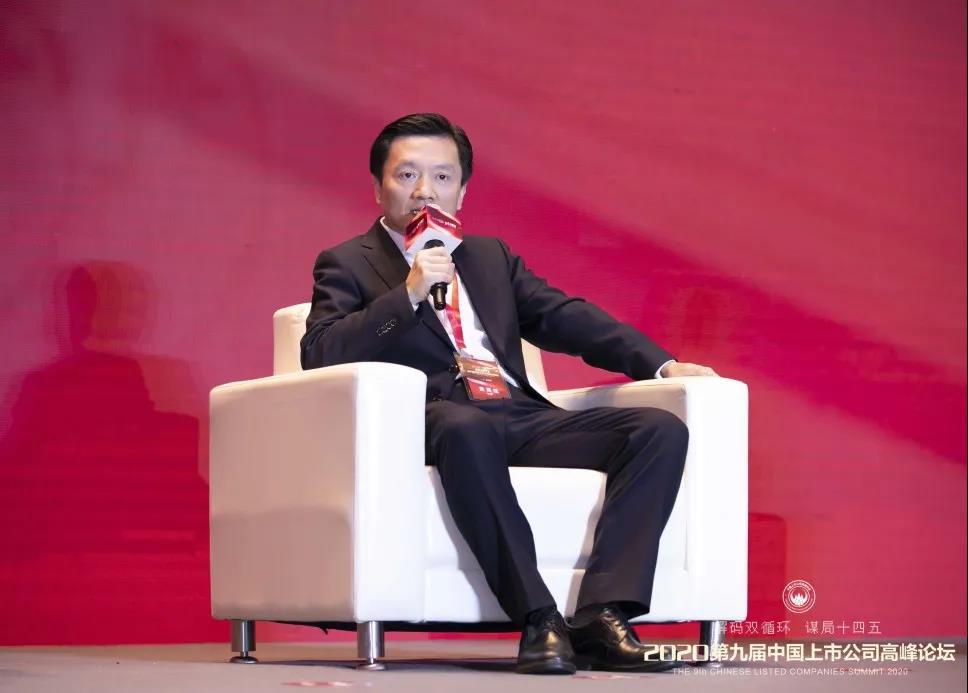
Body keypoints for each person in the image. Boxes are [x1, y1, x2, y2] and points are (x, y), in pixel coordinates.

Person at [301, 113, 717, 675]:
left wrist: (661, 364)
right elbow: (320, 352)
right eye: (407, 175)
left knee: (656, 430)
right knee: (465, 425)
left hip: (514, 413)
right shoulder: (349, 262)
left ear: (462, 191)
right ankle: (538, 617)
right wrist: (409, 295)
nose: (425, 191)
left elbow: (564, 316)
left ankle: (603, 615)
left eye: (442, 177)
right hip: (434, 420)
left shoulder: (488, 257)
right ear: (378, 187)